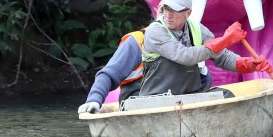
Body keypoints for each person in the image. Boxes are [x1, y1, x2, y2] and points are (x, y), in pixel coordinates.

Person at [139, 0, 272, 96]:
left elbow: (222, 57)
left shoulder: (198, 29)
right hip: (156, 99)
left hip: (189, 96)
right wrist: (224, 40)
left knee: (227, 95)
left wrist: (250, 64)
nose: (168, 15)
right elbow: (184, 56)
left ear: (188, 13)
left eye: (174, 10)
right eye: (166, 9)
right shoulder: (155, 31)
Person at [77, 28, 213, 114]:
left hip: (178, 101)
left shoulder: (186, 40)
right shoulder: (137, 41)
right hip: (138, 101)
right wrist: (94, 100)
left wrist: (201, 69)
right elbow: (107, 74)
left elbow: (202, 86)